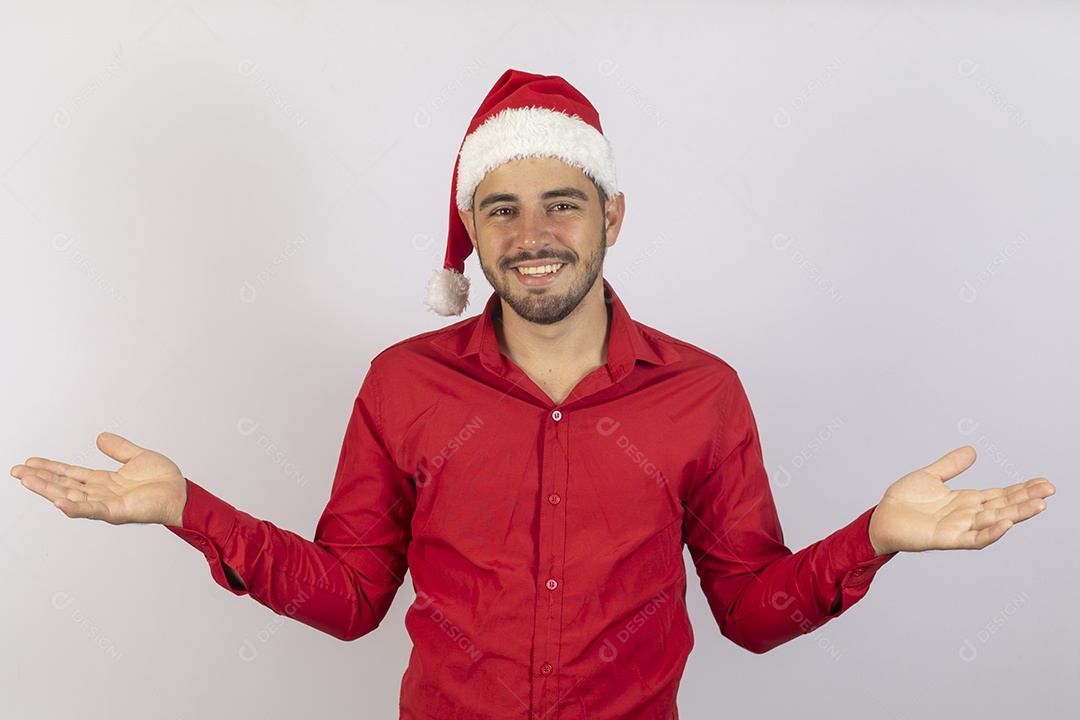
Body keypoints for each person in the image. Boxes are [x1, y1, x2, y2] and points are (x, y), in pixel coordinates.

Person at [11, 69, 1055, 719]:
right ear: (473, 230)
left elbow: (748, 611)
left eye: (563, 203)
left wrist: (873, 538)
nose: (533, 234)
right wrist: (188, 509)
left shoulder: (701, 395)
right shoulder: (404, 383)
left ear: (612, 218)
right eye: (501, 209)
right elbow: (352, 598)